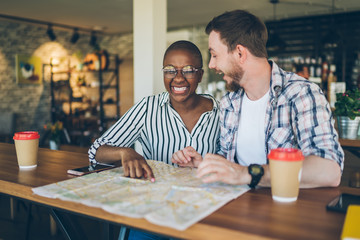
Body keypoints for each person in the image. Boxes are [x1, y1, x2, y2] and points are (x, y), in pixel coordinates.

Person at [172, 10, 344, 189]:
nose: (211, 65)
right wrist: (205, 164)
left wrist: (249, 174)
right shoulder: (230, 102)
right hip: (238, 204)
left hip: (286, 208)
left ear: (240, 53)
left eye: (214, 55)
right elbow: (231, 162)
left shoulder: (302, 94)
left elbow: (329, 171)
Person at [88, 40, 219, 182]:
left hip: (206, 198)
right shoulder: (147, 108)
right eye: (170, 70)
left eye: (188, 70)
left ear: (200, 75)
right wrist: (125, 152)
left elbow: (233, 164)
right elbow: (96, 152)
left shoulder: (221, 113)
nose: (179, 78)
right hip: (159, 198)